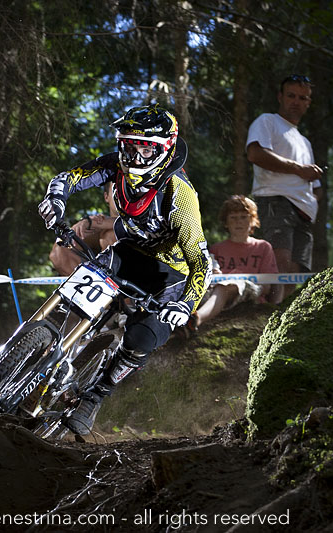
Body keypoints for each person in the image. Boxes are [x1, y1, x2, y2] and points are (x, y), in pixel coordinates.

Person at [38, 104, 212, 435]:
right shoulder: (115, 166)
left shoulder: (179, 195)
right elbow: (69, 178)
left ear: (165, 149)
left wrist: (184, 305)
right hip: (130, 253)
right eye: (129, 147)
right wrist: (55, 200)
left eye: (144, 150)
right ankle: (46, 348)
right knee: (82, 286)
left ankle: (94, 398)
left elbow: (201, 261)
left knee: (139, 339)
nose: (134, 157)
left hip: (169, 276)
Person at [246, 74, 322, 295]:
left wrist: (312, 199)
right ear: (280, 97)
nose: (296, 102)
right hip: (276, 201)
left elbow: (316, 186)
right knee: (279, 265)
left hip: (304, 213)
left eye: (302, 98)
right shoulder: (267, 121)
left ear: (308, 102)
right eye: (291, 96)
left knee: (295, 273)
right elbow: (255, 153)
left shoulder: (305, 142)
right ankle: (269, 312)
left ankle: (284, 314)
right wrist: (298, 169)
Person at [185, 196, 283, 336]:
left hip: (250, 291)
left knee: (227, 286)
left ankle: (196, 319)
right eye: (233, 218)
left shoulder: (263, 247)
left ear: (252, 220)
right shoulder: (216, 249)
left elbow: (269, 284)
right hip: (216, 293)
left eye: (243, 217)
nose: (238, 222)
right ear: (226, 223)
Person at [49, 181, 119, 276]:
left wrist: (104, 222)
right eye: (116, 190)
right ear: (106, 197)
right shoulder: (97, 226)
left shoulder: (100, 225)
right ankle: (91, 280)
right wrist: (75, 231)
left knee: (111, 235)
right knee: (60, 250)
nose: (122, 195)